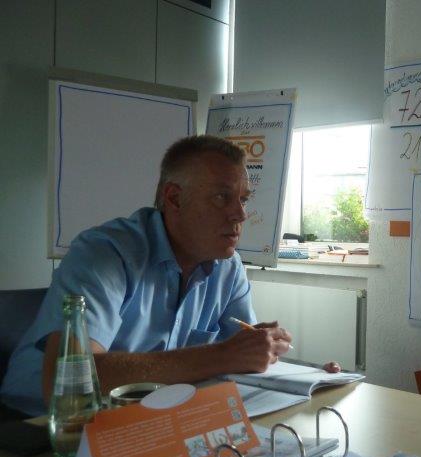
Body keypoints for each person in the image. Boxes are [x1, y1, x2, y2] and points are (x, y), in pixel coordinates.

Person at [1, 135, 295, 416]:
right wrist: (223, 355)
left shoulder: (228, 267)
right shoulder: (104, 254)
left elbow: (239, 357)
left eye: (243, 199)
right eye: (222, 197)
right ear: (174, 198)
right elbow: (70, 379)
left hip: (149, 415)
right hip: (38, 425)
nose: (240, 214)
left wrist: (263, 350)